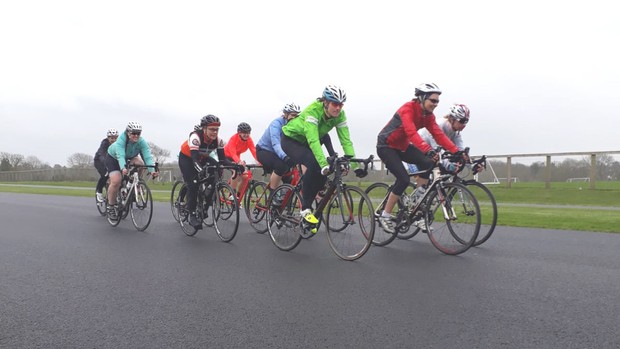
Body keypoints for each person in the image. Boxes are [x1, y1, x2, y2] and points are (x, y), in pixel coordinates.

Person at [375, 83, 459, 233]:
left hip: (402, 146)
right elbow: (411, 133)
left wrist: (455, 151)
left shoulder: (428, 116)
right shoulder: (407, 109)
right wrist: (427, 149)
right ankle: (385, 215)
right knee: (403, 179)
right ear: (422, 98)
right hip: (386, 146)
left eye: (437, 101)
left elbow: (438, 135)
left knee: (428, 163)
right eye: (433, 100)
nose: (435, 104)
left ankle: (416, 202)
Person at [281, 85, 367, 229]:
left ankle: (309, 213)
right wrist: (323, 164)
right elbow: (313, 140)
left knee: (322, 176)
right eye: (335, 104)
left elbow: (345, 140)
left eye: (340, 104)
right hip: (291, 140)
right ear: (325, 102)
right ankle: (305, 209)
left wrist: (354, 165)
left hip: (306, 142)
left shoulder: (340, 115)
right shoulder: (313, 111)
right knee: (315, 164)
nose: (338, 108)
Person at [178, 114, 226, 229]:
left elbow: (223, 160)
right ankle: (192, 215)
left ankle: (205, 206)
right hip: (187, 158)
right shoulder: (196, 137)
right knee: (193, 183)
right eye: (212, 129)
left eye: (217, 129)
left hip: (202, 157)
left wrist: (236, 166)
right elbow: (194, 160)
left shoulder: (219, 140)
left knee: (217, 173)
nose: (215, 132)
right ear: (204, 129)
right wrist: (201, 171)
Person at [105, 122, 159, 218]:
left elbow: (147, 157)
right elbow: (120, 155)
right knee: (116, 181)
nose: (136, 136)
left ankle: (134, 183)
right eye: (134, 133)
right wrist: (123, 168)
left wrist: (152, 170)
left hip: (129, 157)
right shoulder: (122, 140)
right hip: (113, 158)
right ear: (128, 133)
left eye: (138, 133)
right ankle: (111, 205)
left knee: (140, 164)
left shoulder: (141, 142)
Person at [419, 103, 482, 174]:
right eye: (461, 121)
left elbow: (460, 151)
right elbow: (437, 149)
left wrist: (472, 165)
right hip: (417, 150)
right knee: (425, 177)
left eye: (466, 121)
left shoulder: (455, 132)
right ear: (452, 119)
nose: (463, 125)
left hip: (430, 153)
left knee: (444, 174)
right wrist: (448, 165)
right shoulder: (439, 126)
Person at [255, 103, 300, 193]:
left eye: (297, 116)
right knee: (281, 166)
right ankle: (273, 194)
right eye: (293, 115)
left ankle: (283, 201)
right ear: (286, 114)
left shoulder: (295, 126)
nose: (295, 118)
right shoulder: (276, 124)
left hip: (278, 152)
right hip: (264, 150)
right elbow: (276, 144)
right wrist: (285, 157)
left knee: (289, 177)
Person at [224, 122, 260, 199]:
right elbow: (233, 153)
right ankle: (231, 195)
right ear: (239, 133)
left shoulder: (249, 140)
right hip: (227, 157)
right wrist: (239, 162)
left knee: (246, 177)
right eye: (244, 133)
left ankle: (238, 196)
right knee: (235, 171)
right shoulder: (233, 138)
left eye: (248, 133)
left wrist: (260, 161)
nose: (246, 135)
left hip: (236, 157)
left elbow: (253, 151)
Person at [94, 128, 118, 202]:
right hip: (99, 161)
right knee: (106, 174)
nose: (113, 140)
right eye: (112, 138)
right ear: (108, 138)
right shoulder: (105, 143)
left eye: (115, 138)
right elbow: (102, 154)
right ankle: (99, 191)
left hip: (111, 161)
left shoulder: (118, 144)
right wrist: (107, 164)